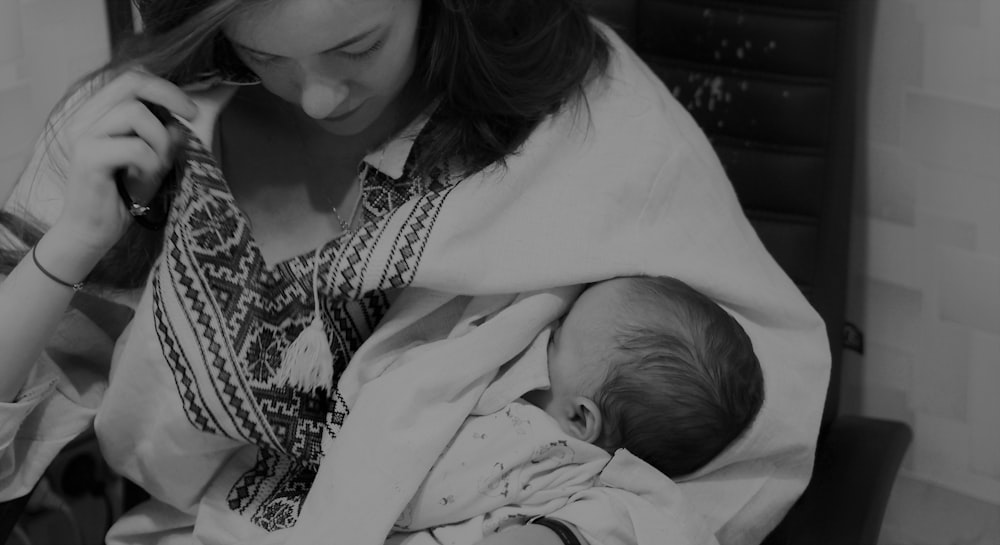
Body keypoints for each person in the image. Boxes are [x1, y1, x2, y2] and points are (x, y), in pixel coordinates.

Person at [0, 1, 830, 545]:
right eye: (264, 54)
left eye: (357, 45)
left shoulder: (591, 125)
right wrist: (67, 249)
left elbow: (742, 437)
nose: (319, 98)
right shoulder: (140, 127)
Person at [383, 275, 765, 545]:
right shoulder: (584, 476)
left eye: (558, 338)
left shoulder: (530, 439)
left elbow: (394, 485)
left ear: (581, 418)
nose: (542, 333)